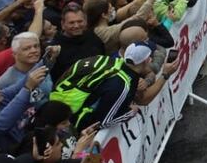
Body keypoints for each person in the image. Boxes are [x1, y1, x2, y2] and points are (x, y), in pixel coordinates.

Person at [50, 42, 180, 131]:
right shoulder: (121, 85)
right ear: (147, 60)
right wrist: (130, 112)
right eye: (150, 57)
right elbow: (106, 121)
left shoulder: (114, 63)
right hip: (80, 127)